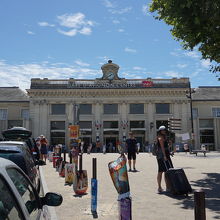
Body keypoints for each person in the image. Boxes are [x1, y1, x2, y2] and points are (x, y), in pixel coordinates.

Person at [156, 126, 173, 193]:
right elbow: (162, 148)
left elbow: (166, 147)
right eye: (162, 130)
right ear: (160, 131)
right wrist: (165, 156)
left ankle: (168, 186)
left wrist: (170, 145)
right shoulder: (160, 138)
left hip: (166, 155)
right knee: (160, 171)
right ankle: (159, 187)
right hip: (161, 156)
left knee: (167, 171)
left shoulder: (164, 137)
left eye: (164, 130)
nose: (164, 131)